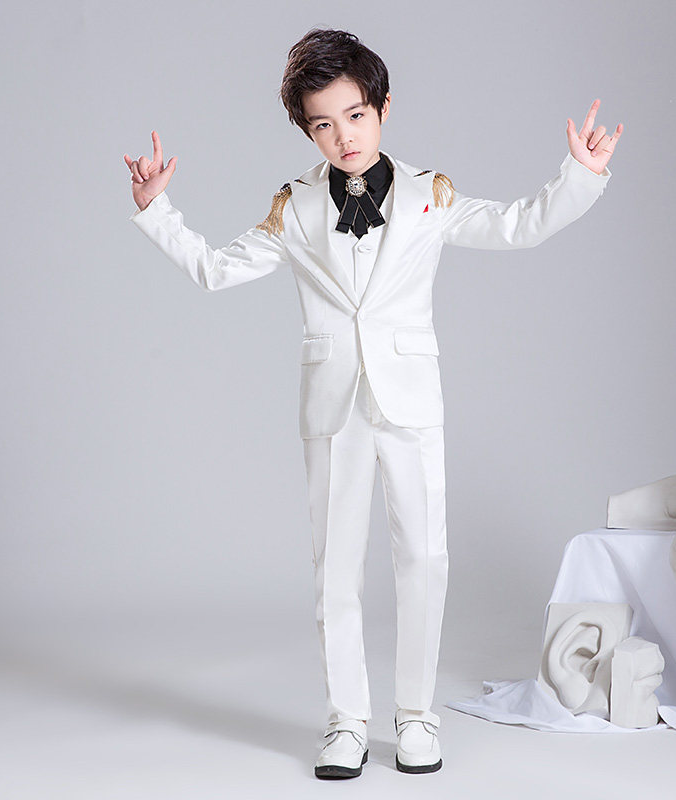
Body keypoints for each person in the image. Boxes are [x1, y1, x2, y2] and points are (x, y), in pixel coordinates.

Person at [123, 27, 621, 780]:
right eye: (323, 124)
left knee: (424, 558)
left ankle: (416, 716)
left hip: (410, 399)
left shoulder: (432, 195)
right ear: (306, 130)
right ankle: (346, 722)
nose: (343, 136)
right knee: (335, 570)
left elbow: (518, 225)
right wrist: (156, 209)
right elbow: (217, 270)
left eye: (355, 116)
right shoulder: (292, 208)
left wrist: (580, 174)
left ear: (384, 107)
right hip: (333, 405)